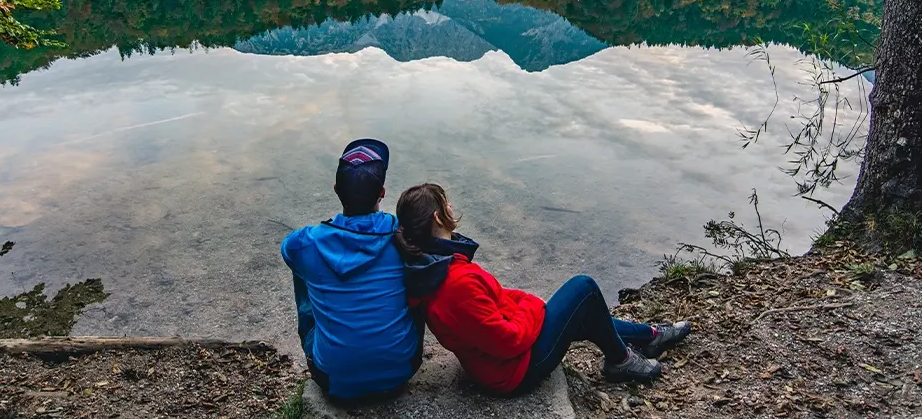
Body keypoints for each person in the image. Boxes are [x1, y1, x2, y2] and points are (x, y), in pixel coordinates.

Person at [394, 183, 691, 395]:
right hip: (513, 372)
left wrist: (526, 306)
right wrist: (534, 308)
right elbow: (509, 341)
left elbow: (497, 299)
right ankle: (621, 361)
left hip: (496, 359)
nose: (450, 207)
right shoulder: (455, 283)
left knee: (581, 312)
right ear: (437, 218)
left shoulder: (432, 268)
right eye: (446, 203)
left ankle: (651, 335)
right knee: (583, 289)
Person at [280, 139, 423, 400]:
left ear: (336, 189)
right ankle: (388, 344)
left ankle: (339, 347)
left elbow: (287, 251)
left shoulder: (304, 243)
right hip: (401, 371)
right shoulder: (402, 235)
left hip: (332, 378)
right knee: (414, 270)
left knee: (304, 270)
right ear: (382, 193)